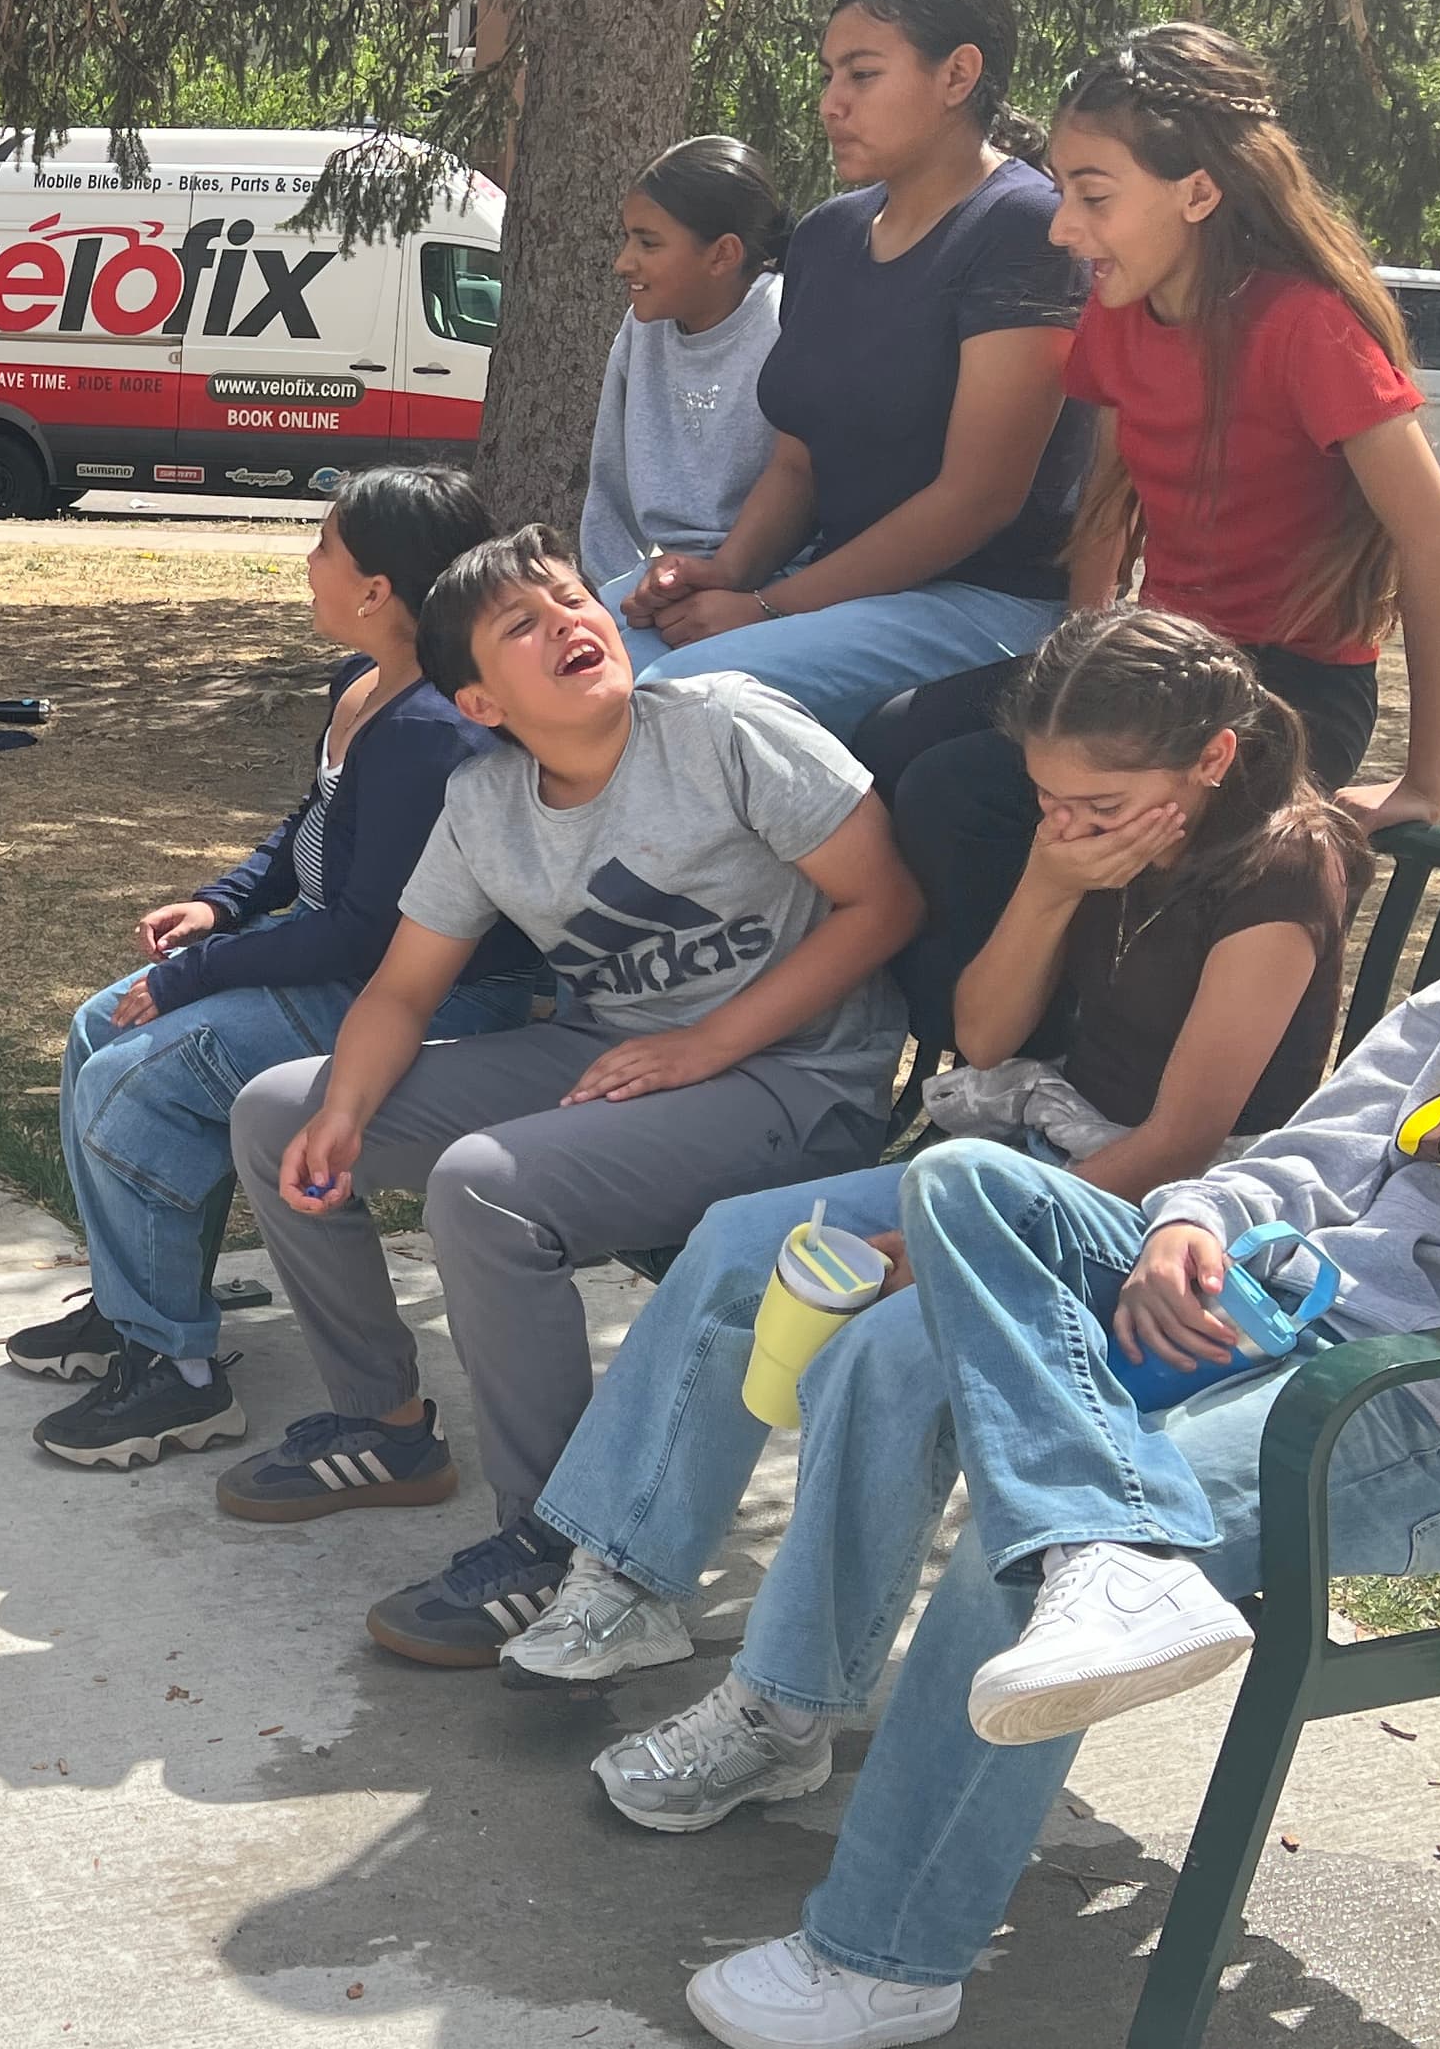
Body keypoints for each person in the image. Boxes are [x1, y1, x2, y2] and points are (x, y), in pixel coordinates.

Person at [630, 706, 1440, 2049]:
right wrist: (1193, 1227)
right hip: (1265, 1311)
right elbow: (1318, 1150)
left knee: (1028, 1543)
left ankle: (886, 1959)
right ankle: (790, 1708)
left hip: (1428, 1410)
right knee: (947, 1222)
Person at [499, 609, 1360, 1704]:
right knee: (736, 1240)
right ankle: (624, 1575)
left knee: (894, 1342)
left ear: (1213, 759)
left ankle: (786, 1700)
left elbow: (1182, 1141)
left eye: (1097, 804)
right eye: (1050, 796)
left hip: (1152, 1208)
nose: (1070, 820)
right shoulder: (1088, 841)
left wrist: (936, 1246)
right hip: (1028, 1152)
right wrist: (1050, 884)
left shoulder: (1282, 870)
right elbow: (988, 1035)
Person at [220, 529, 918, 1663]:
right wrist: (344, 1113)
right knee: (280, 1110)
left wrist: (708, 1043)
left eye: (571, 598)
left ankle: (558, 1547)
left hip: (798, 1080)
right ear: (484, 703)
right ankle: (384, 1426)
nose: (570, 624)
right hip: (623, 1059)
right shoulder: (485, 800)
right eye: (524, 626)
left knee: (485, 1189)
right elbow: (400, 991)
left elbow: (882, 906)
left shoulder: (725, 723)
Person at [871, 22, 1440, 1036]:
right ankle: (965, 1045)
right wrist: (1075, 657)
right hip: (1154, 661)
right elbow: (1111, 499)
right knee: (898, 739)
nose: (1064, 229)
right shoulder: (1124, 309)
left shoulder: (1306, 327)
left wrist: (1426, 779)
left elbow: (1439, 550)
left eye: (1094, 196)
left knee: (964, 795)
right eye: (1061, 190)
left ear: (1198, 191)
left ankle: (1033, 1053)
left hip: (1287, 687)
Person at [6, 466, 545, 1464]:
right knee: (95, 1028)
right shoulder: (364, 685)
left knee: (139, 1076)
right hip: (357, 968)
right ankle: (135, 1309)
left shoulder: (434, 736)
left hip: (444, 1002)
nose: (308, 564)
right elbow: (308, 826)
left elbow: (362, 936)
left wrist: (190, 974)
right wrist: (222, 902)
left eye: (324, 548)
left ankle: (181, 1377)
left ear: (377, 589)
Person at [619, 0, 1089, 743]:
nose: (831, 103)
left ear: (958, 74)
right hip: (823, 588)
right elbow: (797, 462)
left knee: (674, 700)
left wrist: (764, 608)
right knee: (561, 656)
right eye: (830, 74)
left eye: (862, 75)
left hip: (986, 601)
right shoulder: (829, 236)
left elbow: (978, 498)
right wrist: (725, 571)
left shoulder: (1021, 228)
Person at [577, 137, 790, 596]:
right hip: (659, 583)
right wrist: (616, 594)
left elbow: (804, 482)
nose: (622, 263)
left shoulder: (786, 321)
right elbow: (609, 488)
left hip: (768, 583)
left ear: (722, 254)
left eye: (648, 243)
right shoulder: (642, 327)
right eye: (627, 238)